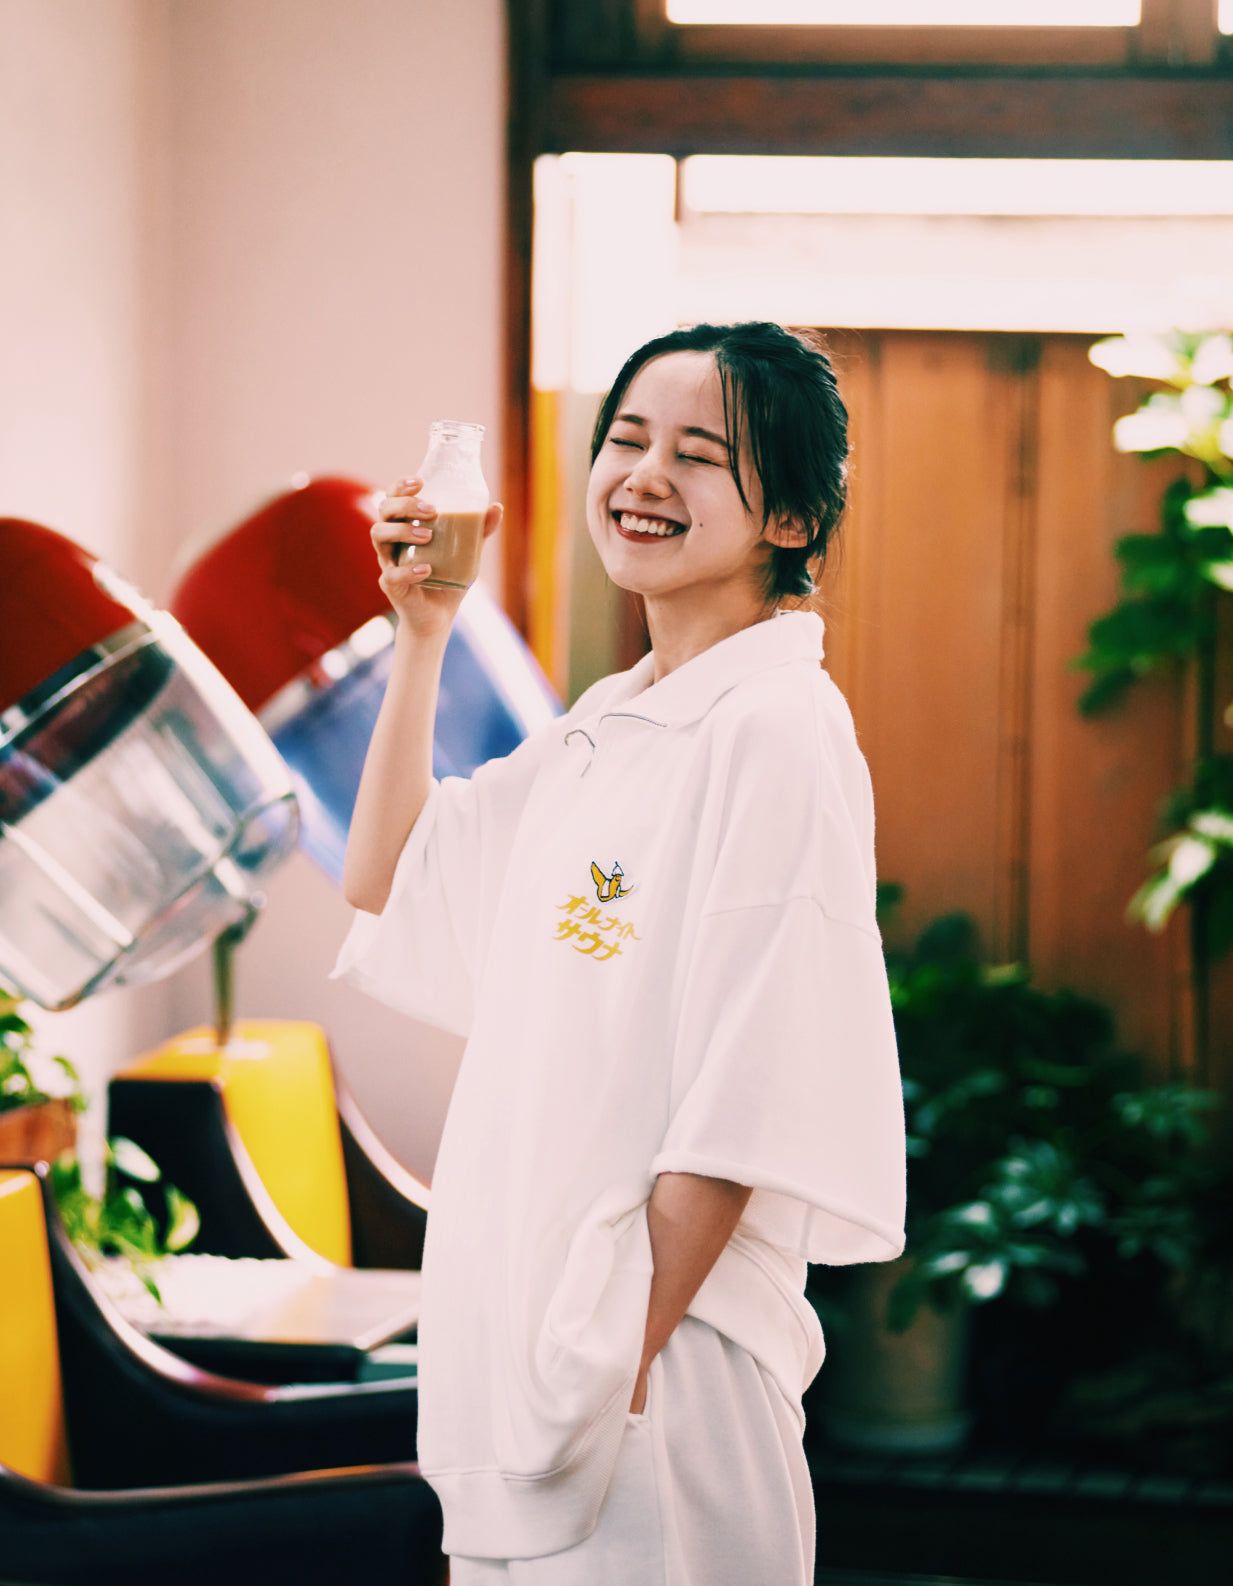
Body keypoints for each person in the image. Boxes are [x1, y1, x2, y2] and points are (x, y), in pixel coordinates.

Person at [334, 321, 906, 1585]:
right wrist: (424, 631)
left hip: (658, 1375)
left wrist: (612, 1357)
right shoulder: (613, 721)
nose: (644, 476)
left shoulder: (777, 728)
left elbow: (748, 1090)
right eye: (628, 439)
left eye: (699, 453)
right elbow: (386, 873)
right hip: (546, 1363)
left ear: (793, 518)